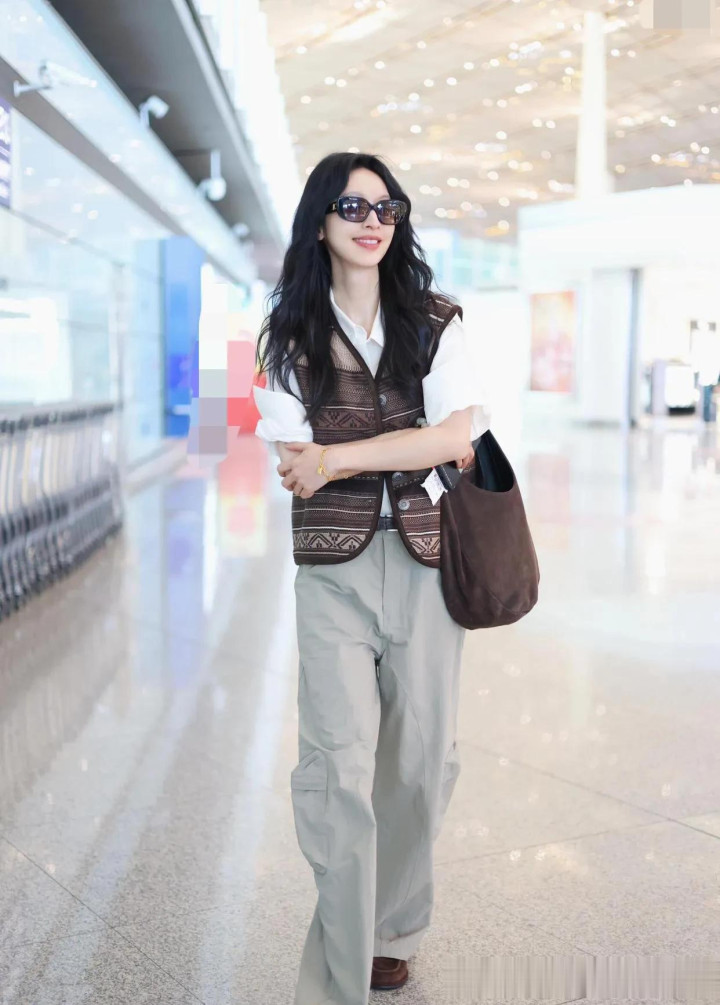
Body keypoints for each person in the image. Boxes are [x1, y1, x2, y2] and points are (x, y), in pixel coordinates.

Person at [252, 152, 491, 1005]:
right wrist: (377, 450)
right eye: (352, 206)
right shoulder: (286, 336)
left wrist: (338, 456)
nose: (372, 221)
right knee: (338, 770)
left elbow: (455, 436)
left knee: (422, 764)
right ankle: (338, 977)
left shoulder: (437, 320)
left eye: (386, 207)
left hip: (428, 566)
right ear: (320, 220)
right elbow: (295, 464)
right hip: (334, 575)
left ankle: (393, 929)